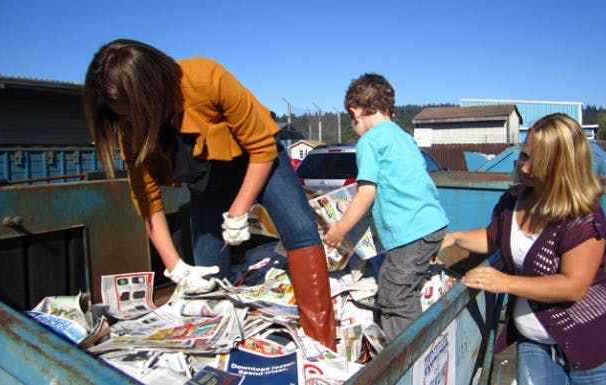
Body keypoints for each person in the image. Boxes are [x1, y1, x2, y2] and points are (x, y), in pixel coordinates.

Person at [83, 39, 335, 349]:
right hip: (209, 181)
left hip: (260, 161)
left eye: (132, 114)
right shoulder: (129, 129)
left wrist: (240, 210)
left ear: (149, 94)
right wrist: (175, 267)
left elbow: (262, 148)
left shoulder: (205, 77)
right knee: (207, 267)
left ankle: (321, 344)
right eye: (122, 118)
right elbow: (147, 200)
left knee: (301, 230)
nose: (129, 124)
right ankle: (220, 343)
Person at [440, 113, 606, 384]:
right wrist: (454, 237)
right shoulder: (514, 200)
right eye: (524, 156)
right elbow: (493, 237)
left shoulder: (582, 217)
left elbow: (573, 286)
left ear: (563, 165)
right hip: (534, 345)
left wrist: (505, 282)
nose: (526, 168)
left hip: (594, 350)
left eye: (537, 161)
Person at [323, 73, 449, 341]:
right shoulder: (403, 138)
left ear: (354, 111)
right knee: (402, 287)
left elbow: (367, 192)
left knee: (394, 294)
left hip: (411, 233)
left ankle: (405, 358)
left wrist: (340, 229)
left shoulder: (369, 141)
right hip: (431, 225)